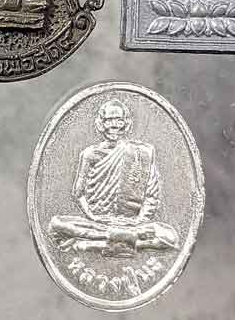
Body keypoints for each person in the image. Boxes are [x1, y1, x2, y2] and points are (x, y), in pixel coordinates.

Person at [49, 100, 179, 257]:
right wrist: (93, 217)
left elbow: (151, 196)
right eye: (109, 120)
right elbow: (78, 194)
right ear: (101, 124)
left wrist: (139, 221)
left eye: (119, 121)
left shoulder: (141, 154)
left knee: (169, 236)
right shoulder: (90, 154)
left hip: (133, 225)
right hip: (97, 224)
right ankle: (126, 241)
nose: (114, 126)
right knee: (57, 224)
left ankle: (91, 244)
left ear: (126, 124)